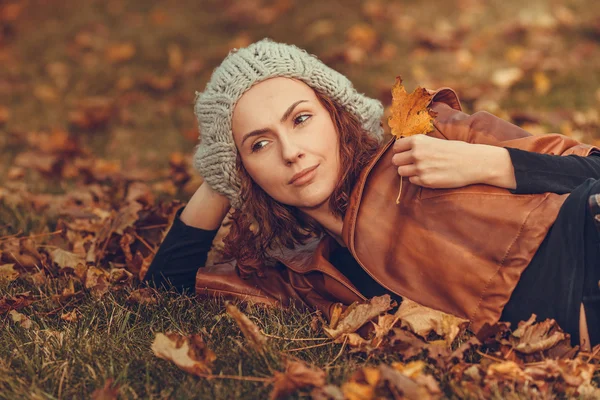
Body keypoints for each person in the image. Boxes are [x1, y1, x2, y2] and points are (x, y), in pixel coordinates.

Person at [142, 38, 600, 349]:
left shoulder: (431, 133)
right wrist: (222, 172)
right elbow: (167, 288)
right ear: (243, 171)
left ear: (337, 115)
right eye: (259, 144)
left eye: (300, 119)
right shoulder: (301, 271)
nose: (291, 152)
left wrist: (490, 164)